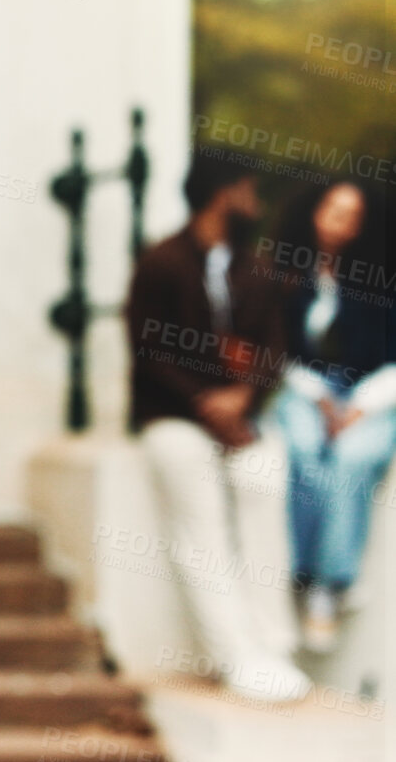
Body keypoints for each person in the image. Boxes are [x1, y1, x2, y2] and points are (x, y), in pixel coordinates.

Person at [125, 154, 308, 702]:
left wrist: (244, 398)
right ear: (223, 194)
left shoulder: (254, 269)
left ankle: (272, 643)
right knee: (197, 511)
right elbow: (148, 348)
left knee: (264, 477)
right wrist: (206, 404)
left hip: (240, 419)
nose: (255, 202)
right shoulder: (160, 262)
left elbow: (275, 348)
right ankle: (236, 656)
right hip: (173, 417)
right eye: (248, 189)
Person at [264, 180, 396, 653]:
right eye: (335, 209)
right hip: (306, 388)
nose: (343, 221)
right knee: (302, 449)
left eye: (354, 213)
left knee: (353, 457)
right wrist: (319, 398)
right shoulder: (285, 274)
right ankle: (302, 572)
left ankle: (331, 583)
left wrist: (362, 404)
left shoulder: (379, 279)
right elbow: (275, 350)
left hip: (371, 392)